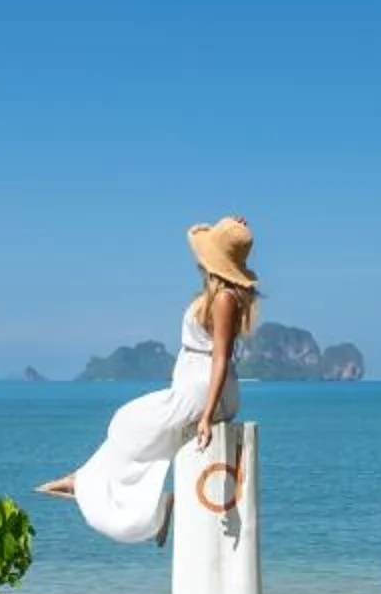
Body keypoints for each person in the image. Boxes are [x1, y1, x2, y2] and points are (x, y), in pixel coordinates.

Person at [40, 216, 258, 543]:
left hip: (204, 392)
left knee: (128, 422)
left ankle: (86, 484)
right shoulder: (218, 295)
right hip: (196, 388)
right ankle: (93, 483)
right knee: (140, 431)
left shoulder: (225, 299)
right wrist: (229, 230)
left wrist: (206, 415)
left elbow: (221, 358)